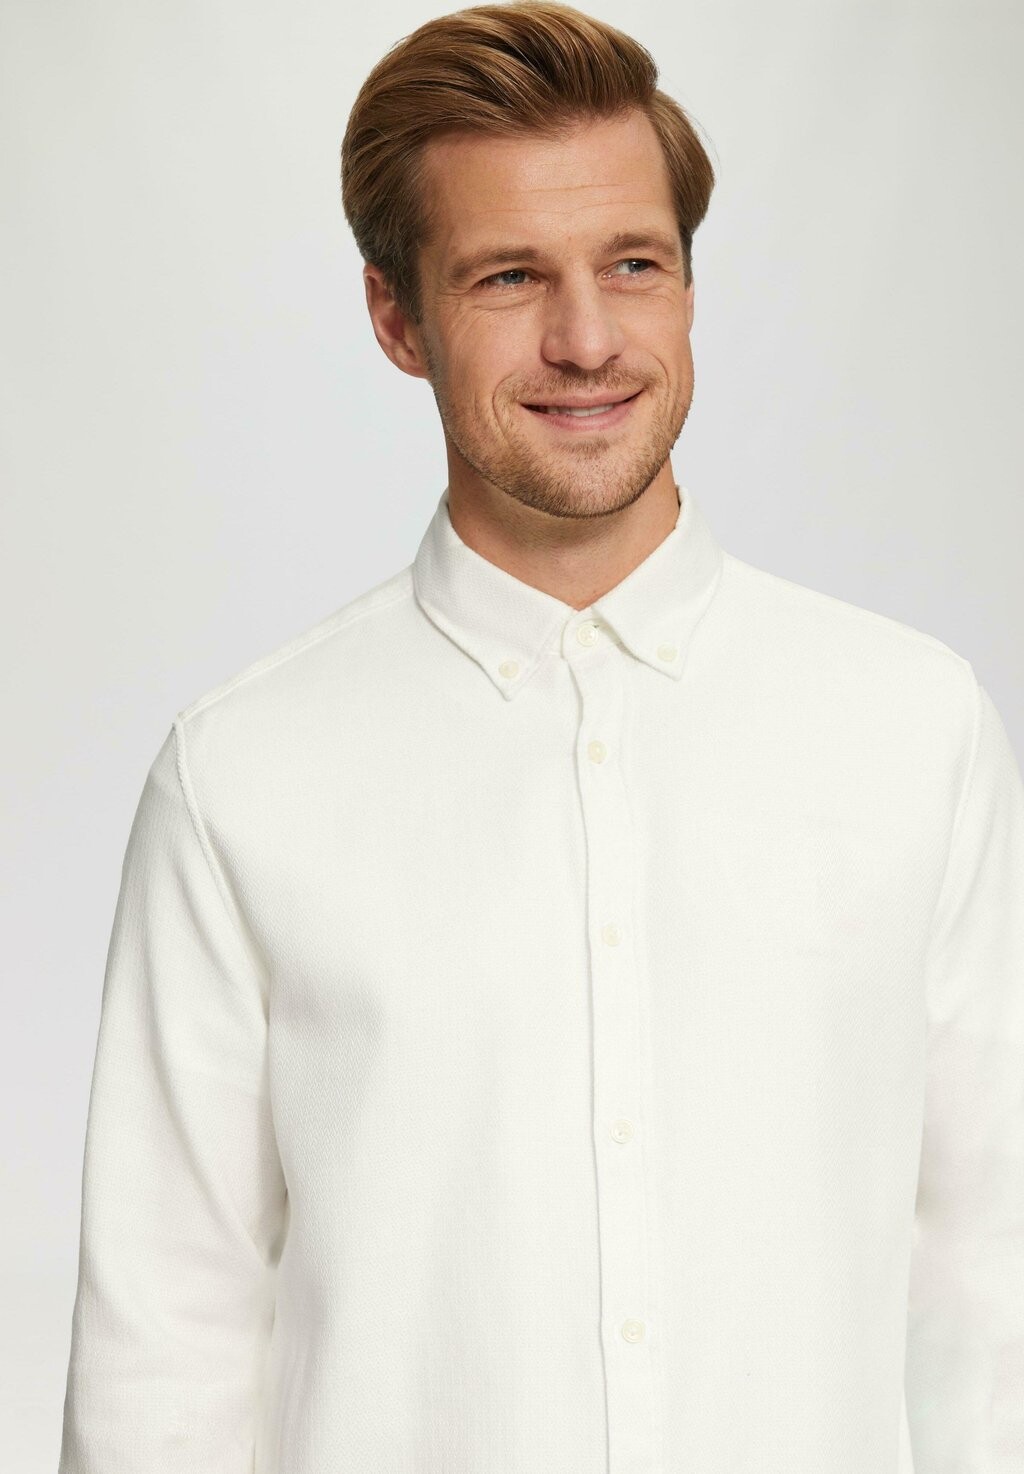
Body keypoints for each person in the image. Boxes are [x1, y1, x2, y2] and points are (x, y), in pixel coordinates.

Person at [57, 4, 1023, 1472]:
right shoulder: (239, 777)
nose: (586, 341)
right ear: (397, 319)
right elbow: (163, 1347)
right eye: (509, 276)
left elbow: (990, 1286)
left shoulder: (912, 728)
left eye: (633, 264)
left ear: (689, 283)